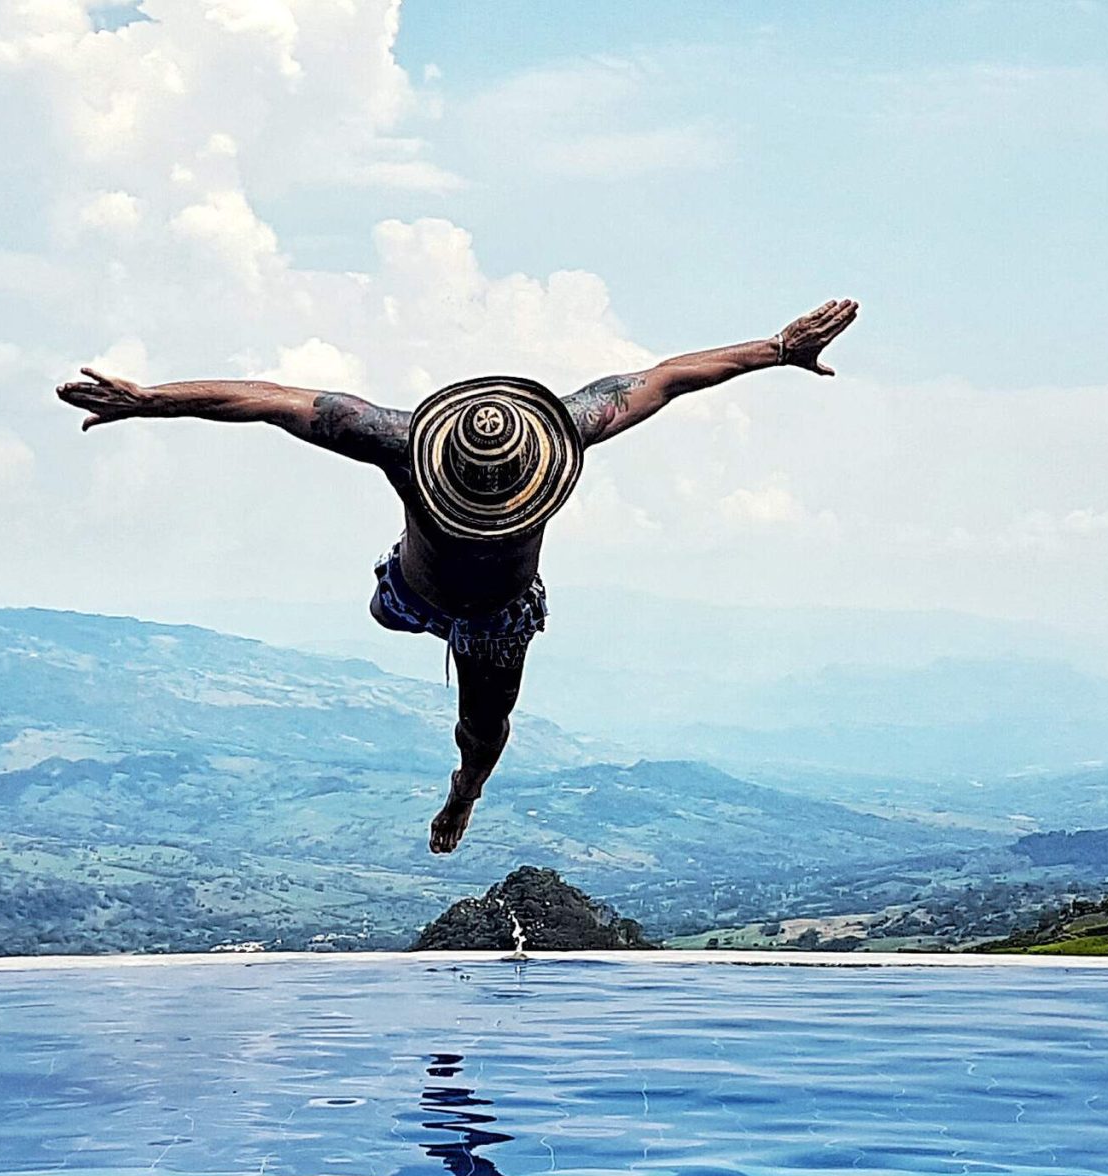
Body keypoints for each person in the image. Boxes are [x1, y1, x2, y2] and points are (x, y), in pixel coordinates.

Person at [57, 298, 859, 853]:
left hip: (497, 620)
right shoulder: (396, 439)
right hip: (413, 587)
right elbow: (268, 399)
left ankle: (463, 793)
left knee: (485, 734)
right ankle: (416, 634)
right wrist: (153, 401)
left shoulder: (568, 428)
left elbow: (669, 376)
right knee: (387, 609)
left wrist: (779, 351)